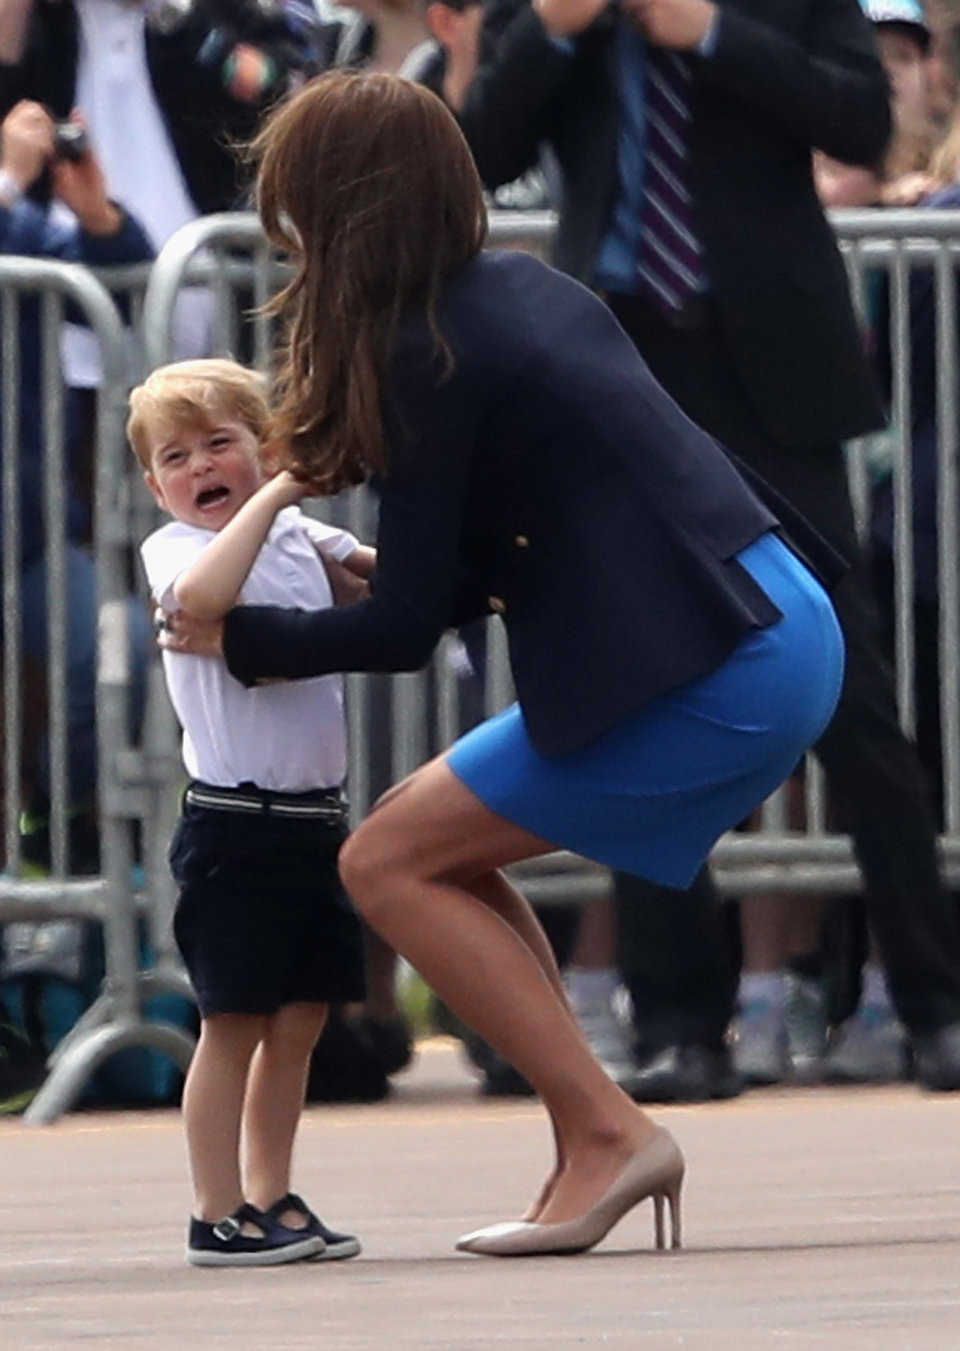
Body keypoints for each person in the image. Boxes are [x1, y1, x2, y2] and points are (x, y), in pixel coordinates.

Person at [163, 72, 845, 1256]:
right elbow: (548, 516)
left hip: (720, 662)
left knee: (383, 860)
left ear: (335, 208)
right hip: (770, 613)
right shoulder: (514, 287)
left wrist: (237, 642)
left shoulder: (423, 348)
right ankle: (597, 1125)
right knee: (422, 845)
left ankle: (603, 1129)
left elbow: (403, 630)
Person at [455, 0, 960, 1100]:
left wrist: (713, 35)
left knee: (853, 691)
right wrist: (551, 29)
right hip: (619, 370)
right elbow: (475, 152)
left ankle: (934, 1002)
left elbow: (864, 122)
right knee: (641, 691)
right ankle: (681, 1019)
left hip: (772, 375)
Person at [130, 357, 373, 1266]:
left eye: (220, 443)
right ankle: (215, 1206)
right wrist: (272, 503)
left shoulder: (298, 533)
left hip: (312, 819)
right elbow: (201, 602)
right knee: (232, 1019)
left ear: (265, 446)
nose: (200, 468)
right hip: (234, 823)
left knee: (302, 1017)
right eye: (176, 457)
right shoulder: (178, 548)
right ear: (155, 485)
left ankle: (273, 1191)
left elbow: (386, 585)